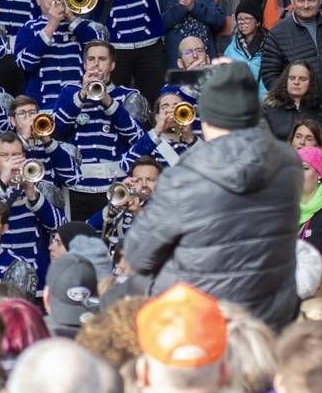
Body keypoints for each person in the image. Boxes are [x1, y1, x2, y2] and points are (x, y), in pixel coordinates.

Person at [124, 60, 300, 324]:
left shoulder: (185, 177)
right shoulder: (288, 163)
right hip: (267, 321)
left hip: (198, 325)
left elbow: (138, 254)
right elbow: (258, 139)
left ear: (205, 116)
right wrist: (238, 84)